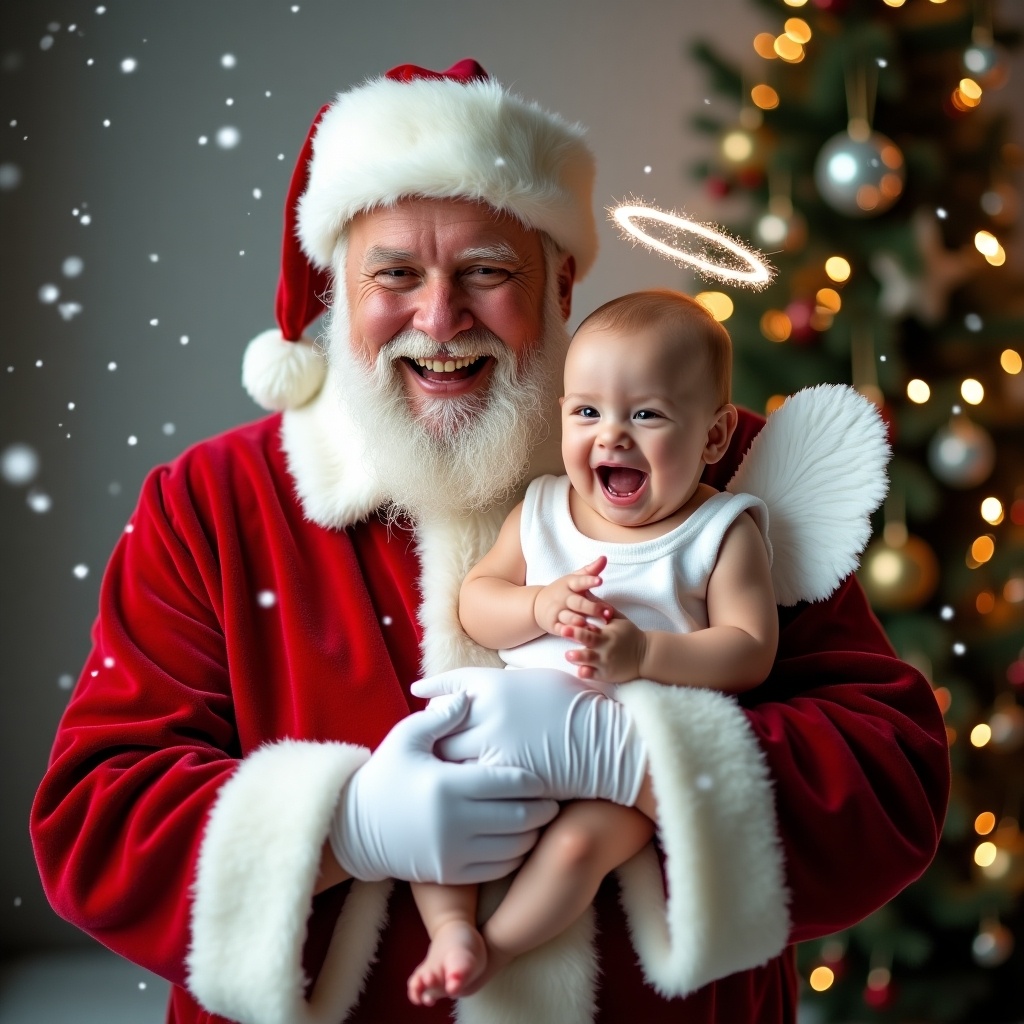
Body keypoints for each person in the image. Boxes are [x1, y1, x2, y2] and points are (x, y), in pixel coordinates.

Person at [30, 60, 950, 1024]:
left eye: (485, 270)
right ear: (336, 293)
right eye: (393, 273)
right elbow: (96, 822)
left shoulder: (720, 472)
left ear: (560, 283)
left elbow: (890, 778)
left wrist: (634, 758)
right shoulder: (210, 504)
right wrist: (345, 828)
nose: (438, 318)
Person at [408, 289, 779, 1006]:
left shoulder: (721, 531)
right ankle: (450, 925)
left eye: (645, 413)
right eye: (587, 412)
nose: (611, 436)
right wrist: (538, 604)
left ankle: (499, 947)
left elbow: (749, 648)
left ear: (713, 435)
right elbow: (476, 603)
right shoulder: (543, 508)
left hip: (625, 752)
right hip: (515, 726)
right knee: (431, 799)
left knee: (579, 848)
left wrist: (646, 656)